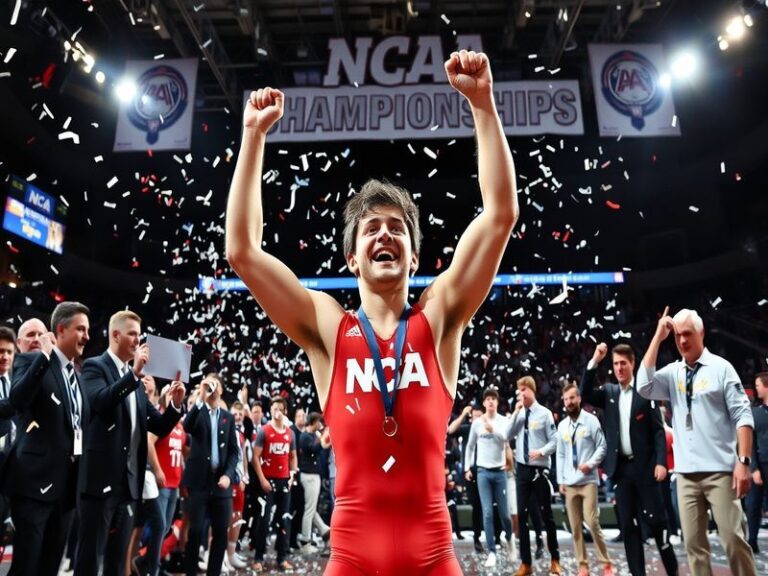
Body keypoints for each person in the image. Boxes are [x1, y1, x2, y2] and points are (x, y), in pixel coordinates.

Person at [226, 48, 518, 575]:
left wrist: (483, 105)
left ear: (415, 254)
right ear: (352, 259)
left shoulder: (441, 314)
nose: (385, 233)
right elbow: (243, 251)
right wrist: (252, 138)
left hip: (433, 557)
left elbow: (500, 214)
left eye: (398, 227)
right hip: (353, 559)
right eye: (372, 228)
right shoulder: (327, 327)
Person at [637, 307, 756, 575]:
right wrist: (658, 336)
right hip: (686, 477)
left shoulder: (721, 369)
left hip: (721, 473)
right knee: (694, 548)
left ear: (701, 333)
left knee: (734, 542)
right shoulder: (672, 373)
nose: (682, 341)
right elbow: (643, 386)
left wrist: (743, 462)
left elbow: (743, 416)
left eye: (687, 334)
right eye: (678, 335)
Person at [75, 311, 185, 576]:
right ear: (116, 335)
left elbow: (157, 425)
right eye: (133, 333)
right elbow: (100, 402)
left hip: (128, 485)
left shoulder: (133, 379)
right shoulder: (95, 366)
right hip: (99, 483)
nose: (139, 340)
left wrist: (175, 405)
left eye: (139, 333)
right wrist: (133, 375)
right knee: (90, 559)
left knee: (117, 558)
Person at [5, 302, 90, 575]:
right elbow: (17, 399)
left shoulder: (74, 374)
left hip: (65, 489)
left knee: (50, 566)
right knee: (26, 566)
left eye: (41, 333)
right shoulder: (30, 361)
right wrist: (43, 356)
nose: (37, 339)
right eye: (81, 329)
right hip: (33, 484)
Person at [580, 342, 679, 576]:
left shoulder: (645, 391)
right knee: (628, 527)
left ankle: (672, 571)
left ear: (633, 364)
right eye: (615, 364)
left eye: (623, 363)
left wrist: (661, 462)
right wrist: (594, 361)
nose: (619, 368)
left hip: (645, 469)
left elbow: (658, 431)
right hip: (621, 470)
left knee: (657, 523)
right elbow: (585, 394)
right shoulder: (609, 393)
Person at [182, 374, 239, 576]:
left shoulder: (228, 417)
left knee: (220, 535)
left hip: (221, 483)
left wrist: (228, 475)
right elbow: (185, 427)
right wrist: (200, 398)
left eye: (216, 386)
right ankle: (190, 572)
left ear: (221, 390)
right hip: (199, 482)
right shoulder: (199, 412)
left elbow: (234, 452)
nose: (213, 389)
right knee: (196, 531)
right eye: (209, 386)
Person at [556, 381, 613, 576]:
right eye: (566, 399)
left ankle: (606, 563)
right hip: (570, 483)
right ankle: (583, 565)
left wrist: (591, 463)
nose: (569, 402)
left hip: (588, 480)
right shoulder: (562, 426)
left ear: (579, 398)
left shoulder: (591, 420)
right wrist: (560, 480)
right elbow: (561, 455)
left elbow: (603, 446)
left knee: (592, 521)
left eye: (572, 398)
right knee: (575, 526)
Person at [464, 388, 515, 568]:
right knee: (487, 512)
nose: (491, 402)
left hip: (500, 472)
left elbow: (507, 439)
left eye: (494, 398)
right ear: (484, 403)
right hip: (483, 472)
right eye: (488, 399)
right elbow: (470, 446)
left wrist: (492, 429)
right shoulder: (477, 423)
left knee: (505, 515)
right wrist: (467, 467)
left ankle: (509, 539)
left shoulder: (503, 421)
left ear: (497, 402)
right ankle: (492, 551)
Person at [298, 412, 331, 553]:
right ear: (313, 421)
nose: (320, 424)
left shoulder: (313, 435)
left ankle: (325, 530)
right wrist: (324, 437)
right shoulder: (305, 436)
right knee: (309, 510)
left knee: (311, 508)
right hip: (309, 476)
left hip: (314, 475)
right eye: (318, 422)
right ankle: (305, 542)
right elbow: (314, 448)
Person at [747, 371, 768, 553]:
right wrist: (753, 468)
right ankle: (751, 541)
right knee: (753, 505)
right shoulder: (755, 413)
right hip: (759, 465)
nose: (756, 389)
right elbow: (750, 442)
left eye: (758, 385)